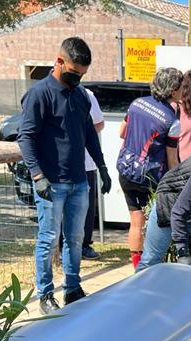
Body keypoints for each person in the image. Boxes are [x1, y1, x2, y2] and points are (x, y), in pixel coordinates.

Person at [18, 37, 111, 315]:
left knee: (75, 238)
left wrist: (103, 167)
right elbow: (26, 138)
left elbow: (88, 136)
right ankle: (45, 294)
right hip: (51, 182)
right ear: (59, 62)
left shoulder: (80, 96)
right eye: (74, 73)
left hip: (78, 181)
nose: (77, 79)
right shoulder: (40, 94)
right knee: (48, 239)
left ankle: (72, 288)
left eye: (82, 75)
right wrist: (37, 176)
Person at [117, 67, 184, 270]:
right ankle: (149, 270)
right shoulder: (172, 121)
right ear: (173, 90)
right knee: (153, 222)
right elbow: (172, 159)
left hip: (125, 168)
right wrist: (178, 183)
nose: (183, 91)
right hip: (150, 176)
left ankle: (136, 266)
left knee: (135, 220)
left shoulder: (136, 104)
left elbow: (122, 133)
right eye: (181, 87)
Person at [80, 86, 106, 260]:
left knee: (86, 207)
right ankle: (59, 246)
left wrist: (83, 132)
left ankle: (84, 245)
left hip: (86, 162)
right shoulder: (46, 92)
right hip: (59, 165)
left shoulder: (87, 95)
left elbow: (99, 122)